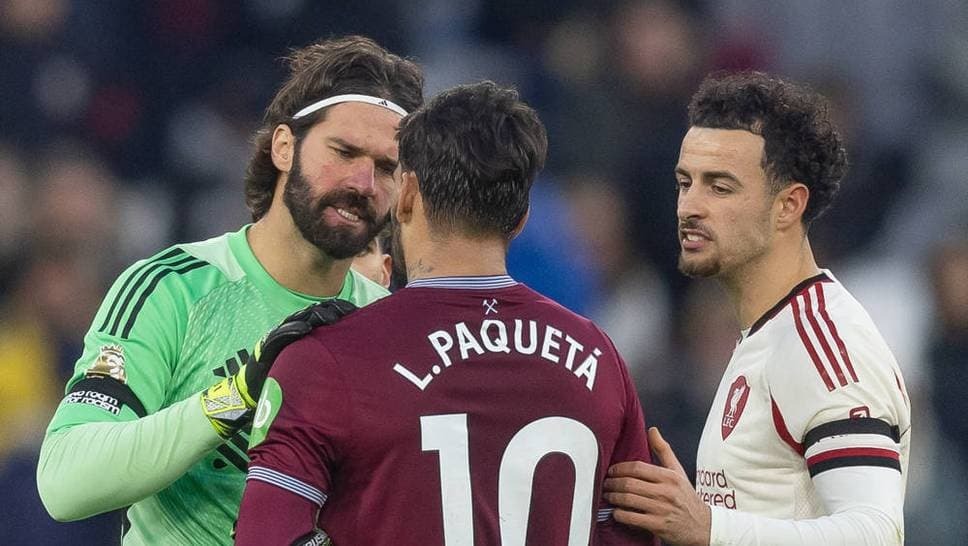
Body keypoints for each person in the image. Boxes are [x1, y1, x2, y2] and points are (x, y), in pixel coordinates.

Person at [36, 35, 424, 545]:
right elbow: (65, 482)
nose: (364, 182)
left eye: (387, 167)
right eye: (344, 151)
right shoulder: (173, 289)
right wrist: (232, 398)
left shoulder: (395, 328)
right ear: (284, 147)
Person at [233, 81, 658, 545]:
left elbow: (265, 537)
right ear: (520, 218)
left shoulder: (329, 359)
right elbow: (634, 532)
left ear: (408, 193)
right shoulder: (598, 357)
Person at [603, 71, 911, 545]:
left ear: (788, 205)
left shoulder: (821, 343)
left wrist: (707, 527)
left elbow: (875, 532)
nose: (690, 206)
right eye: (685, 183)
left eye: (719, 187)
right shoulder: (766, 333)